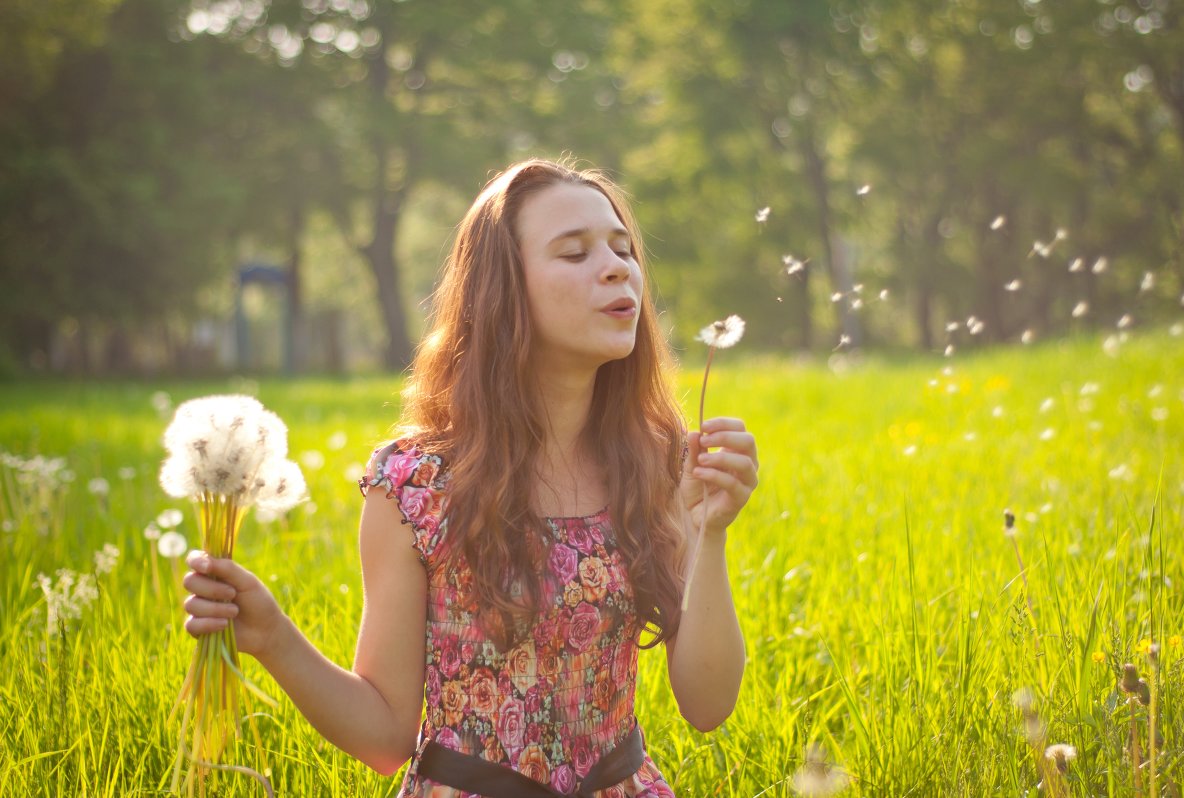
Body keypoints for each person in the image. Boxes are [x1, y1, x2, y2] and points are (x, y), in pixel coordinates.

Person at [182, 158, 759, 797]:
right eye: (574, 253)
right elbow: (384, 737)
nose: (618, 265)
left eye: (624, 249)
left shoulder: (655, 462)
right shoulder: (416, 486)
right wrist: (270, 635)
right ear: (503, 290)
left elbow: (707, 706)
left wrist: (710, 534)